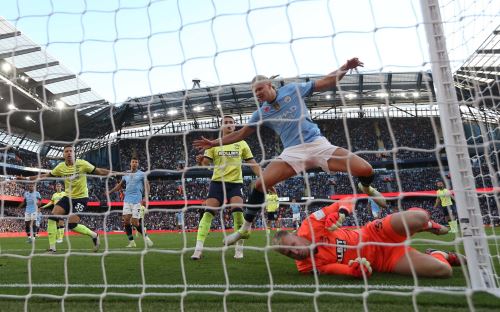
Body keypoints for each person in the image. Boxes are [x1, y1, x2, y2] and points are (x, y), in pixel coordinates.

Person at [194, 58, 386, 245]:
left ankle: (366, 188)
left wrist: (344, 67)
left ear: (269, 85)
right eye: (255, 92)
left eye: (260, 89)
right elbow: (241, 134)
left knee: (366, 169)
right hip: (293, 152)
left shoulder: (293, 89)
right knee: (260, 184)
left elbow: (326, 81)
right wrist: (214, 143)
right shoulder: (261, 113)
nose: (258, 94)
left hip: (317, 144)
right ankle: (244, 229)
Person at [273, 198, 462, 278]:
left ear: (296, 235)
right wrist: (354, 270)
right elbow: (332, 268)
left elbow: (348, 200)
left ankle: (426, 226)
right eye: (289, 253)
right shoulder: (306, 267)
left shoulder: (311, 224)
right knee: (443, 271)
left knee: (420, 217)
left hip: (376, 233)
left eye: (293, 245)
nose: (294, 252)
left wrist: (340, 214)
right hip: (384, 260)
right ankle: (439, 253)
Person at [18, 145, 116, 253]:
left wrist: (114, 173)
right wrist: (26, 178)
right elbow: (44, 176)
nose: (69, 153)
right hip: (67, 197)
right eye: (66, 151)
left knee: (72, 225)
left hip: (81, 198)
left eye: (71, 151)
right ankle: (52, 248)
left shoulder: (82, 164)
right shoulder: (60, 167)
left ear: (74, 154)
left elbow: (99, 171)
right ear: (63, 154)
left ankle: (94, 235)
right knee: (52, 218)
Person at [191, 115, 261, 260]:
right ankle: (198, 249)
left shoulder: (242, 143)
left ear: (235, 126)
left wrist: (265, 179)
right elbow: (206, 164)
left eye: (231, 122)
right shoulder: (213, 144)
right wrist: (200, 161)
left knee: (238, 213)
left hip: (235, 184)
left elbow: (253, 163)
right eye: (226, 122)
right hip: (217, 183)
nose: (229, 124)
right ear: (222, 126)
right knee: (208, 213)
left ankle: (239, 249)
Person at [107, 157, 153, 248]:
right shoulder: (126, 174)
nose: (134, 163)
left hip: (136, 201)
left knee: (135, 223)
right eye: (133, 162)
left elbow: (147, 185)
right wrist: (110, 192)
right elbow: (119, 186)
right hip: (127, 201)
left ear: (138, 164)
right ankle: (131, 242)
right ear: (130, 163)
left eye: (136, 162)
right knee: (126, 222)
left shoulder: (142, 174)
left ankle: (146, 238)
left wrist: (146, 197)